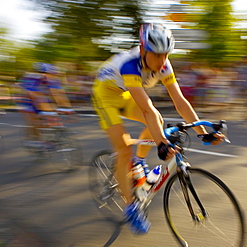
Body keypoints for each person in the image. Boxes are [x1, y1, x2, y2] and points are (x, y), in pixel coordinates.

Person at [91, 23, 224, 234]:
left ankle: (139, 161)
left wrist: (203, 133)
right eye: (156, 55)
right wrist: (162, 143)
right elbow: (147, 110)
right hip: (105, 94)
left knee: (158, 122)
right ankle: (131, 207)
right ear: (143, 50)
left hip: (124, 93)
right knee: (124, 149)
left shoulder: (164, 65)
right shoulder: (130, 65)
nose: (161, 61)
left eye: (166, 55)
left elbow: (180, 102)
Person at [18, 62, 74, 145]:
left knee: (51, 113)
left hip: (42, 96)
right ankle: (33, 140)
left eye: (53, 74)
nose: (52, 77)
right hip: (28, 99)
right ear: (41, 73)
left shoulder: (53, 80)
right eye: (49, 74)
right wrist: (48, 110)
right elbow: (34, 95)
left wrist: (69, 108)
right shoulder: (33, 78)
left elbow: (59, 94)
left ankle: (51, 135)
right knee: (34, 119)